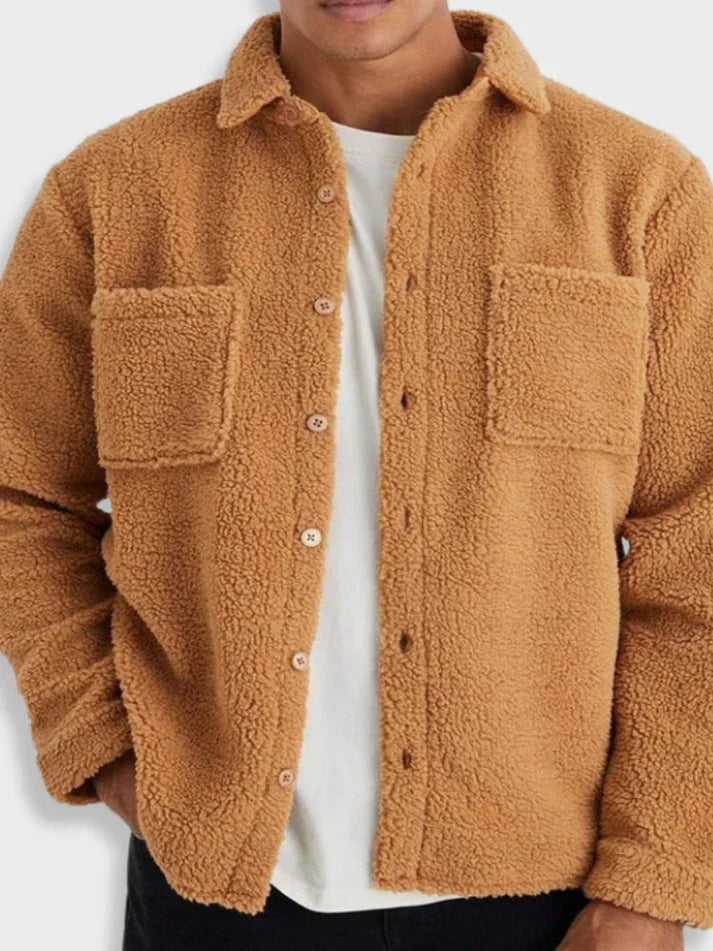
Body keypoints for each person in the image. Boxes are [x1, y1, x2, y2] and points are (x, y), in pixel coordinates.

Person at [0, 1, 710, 948]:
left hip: (543, 898)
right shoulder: (113, 191)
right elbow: (21, 496)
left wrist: (650, 886)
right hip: (213, 889)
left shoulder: (636, 189)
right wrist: (103, 742)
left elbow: (695, 552)